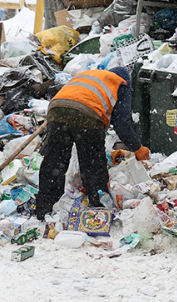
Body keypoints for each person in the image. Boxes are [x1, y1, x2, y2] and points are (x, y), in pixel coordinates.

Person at [34, 67, 149, 219]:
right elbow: (122, 124)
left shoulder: (88, 75)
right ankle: (98, 209)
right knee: (92, 163)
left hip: (56, 109)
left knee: (54, 161)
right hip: (86, 112)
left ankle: (45, 209)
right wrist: (138, 148)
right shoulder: (120, 84)